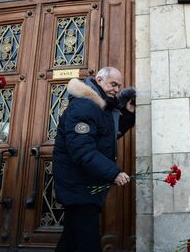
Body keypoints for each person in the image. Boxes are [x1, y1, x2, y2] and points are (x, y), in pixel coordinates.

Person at [53, 67, 136, 252]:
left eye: (119, 86)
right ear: (99, 79)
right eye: (113, 84)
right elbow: (82, 150)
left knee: (71, 240)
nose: (117, 90)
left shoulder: (99, 105)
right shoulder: (84, 105)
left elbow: (105, 137)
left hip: (83, 186)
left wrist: (128, 115)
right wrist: (113, 172)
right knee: (87, 242)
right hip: (78, 185)